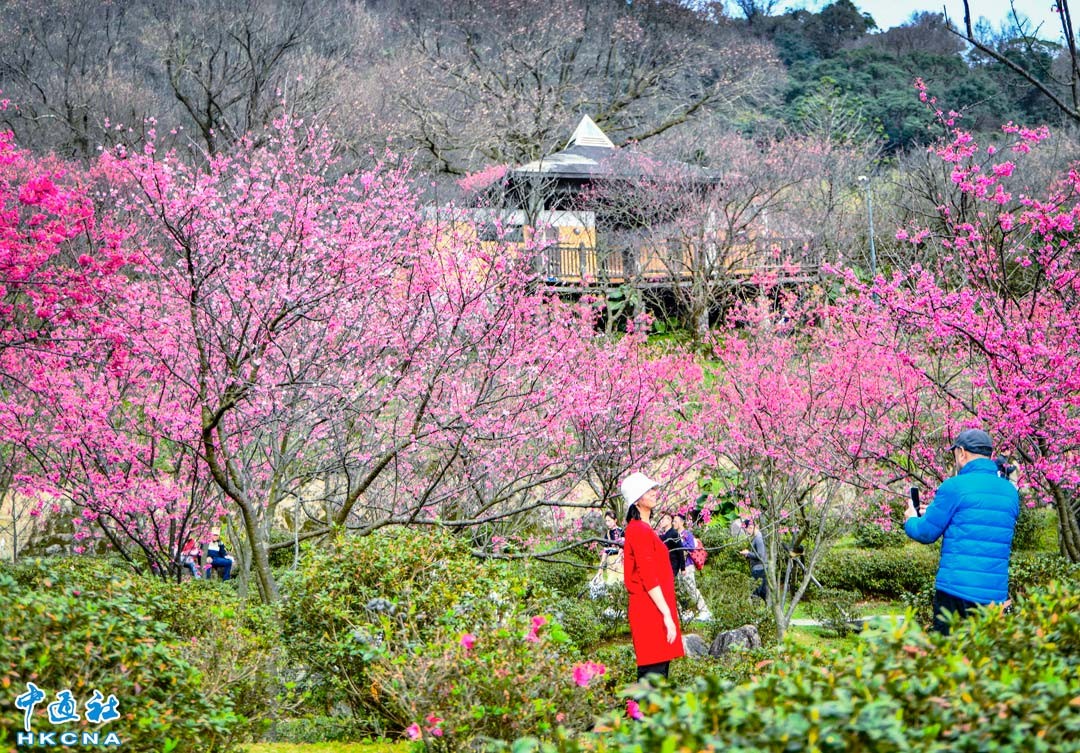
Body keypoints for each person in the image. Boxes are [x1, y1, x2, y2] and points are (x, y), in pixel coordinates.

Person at [904, 429, 1019, 635]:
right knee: (983, 651)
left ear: (962, 453)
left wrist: (911, 519)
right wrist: (937, 513)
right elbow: (981, 522)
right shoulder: (1010, 491)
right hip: (995, 595)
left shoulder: (955, 486)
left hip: (956, 592)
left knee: (950, 652)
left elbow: (925, 533)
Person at [620, 472, 684, 682]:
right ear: (636, 500)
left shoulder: (643, 529)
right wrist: (666, 614)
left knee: (657, 676)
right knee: (653, 677)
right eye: (647, 490)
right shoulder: (638, 530)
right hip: (649, 610)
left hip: (653, 607)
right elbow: (648, 576)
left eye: (653, 489)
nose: (654, 492)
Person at [673, 513, 713, 621]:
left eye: (675, 521)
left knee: (691, 588)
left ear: (682, 522)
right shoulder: (675, 535)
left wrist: (680, 545)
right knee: (682, 589)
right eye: (673, 521)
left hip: (687, 565)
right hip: (679, 566)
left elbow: (691, 547)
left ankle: (704, 610)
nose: (674, 523)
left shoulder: (687, 534)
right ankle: (687, 611)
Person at [740, 518, 767, 601]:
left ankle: (756, 609)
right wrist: (748, 555)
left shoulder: (758, 538)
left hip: (759, 570)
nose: (747, 533)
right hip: (761, 568)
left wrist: (748, 553)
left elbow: (760, 555)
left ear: (751, 527)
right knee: (763, 593)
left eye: (747, 530)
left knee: (755, 593)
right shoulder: (757, 537)